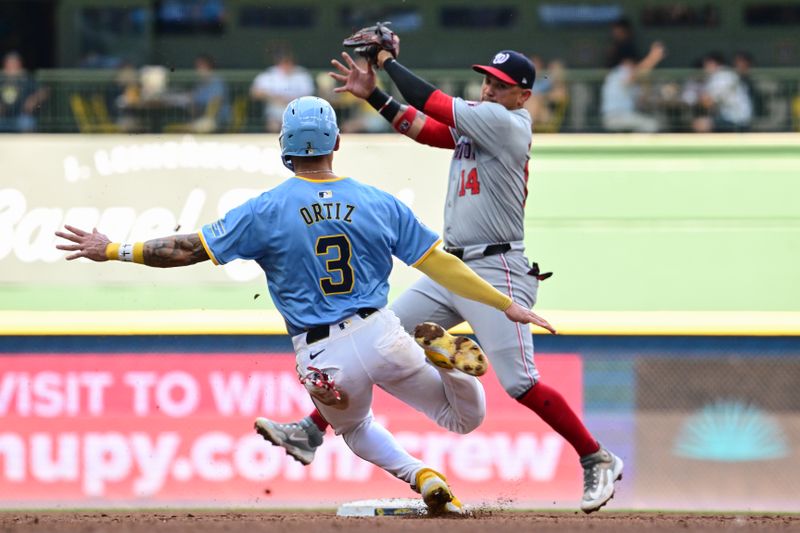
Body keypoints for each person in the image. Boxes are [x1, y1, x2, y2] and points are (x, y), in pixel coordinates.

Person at [55, 96, 556, 515]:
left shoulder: (266, 209)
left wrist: (114, 249)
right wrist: (502, 303)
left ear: (284, 152)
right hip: (382, 332)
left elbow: (185, 250)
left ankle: (422, 476)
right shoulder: (378, 201)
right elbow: (440, 265)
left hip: (321, 357)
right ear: (337, 142)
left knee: (356, 429)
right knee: (462, 419)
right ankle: (449, 361)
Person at [257, 44, 624, 514]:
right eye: (488, 80)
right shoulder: (484, 123)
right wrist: (374, 96)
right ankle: (312, 429)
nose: (490, 88)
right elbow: (424, 130)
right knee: (377, 331)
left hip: (497, 267)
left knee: (520, 384)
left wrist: (388, 64)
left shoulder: (508, 123)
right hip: (453, 267)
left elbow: (432, 103)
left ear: (523, 97)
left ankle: (596, 456)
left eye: (501, 85)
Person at [600, 42, 666, 133]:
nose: (634, 65)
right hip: (615, 116)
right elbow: (634, 76)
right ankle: (637, 146)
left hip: (623, 115)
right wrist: (653, 58)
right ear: (626, 61)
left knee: (653, 122)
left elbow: (642, 100)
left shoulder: (627, 75)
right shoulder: (619, 71)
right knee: (651, 124)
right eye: (634, 62)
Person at [250, 49, 314, 132]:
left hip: (298, 113)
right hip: (275, 112)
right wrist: (272, 97)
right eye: (283, 62)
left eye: (288, 62)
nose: (286, 65)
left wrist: (291, 100)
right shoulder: (269, 74)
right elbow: (254, 92)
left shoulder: (302, 74)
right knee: (274, 127)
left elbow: (310, 93)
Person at [692, 52, 752, 133]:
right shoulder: (725, 74)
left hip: (737, 120)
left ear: (713, 63)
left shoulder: (722, 76)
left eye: (706, 64)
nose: (704, 68)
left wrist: (693, 98)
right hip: (732, 117)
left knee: (700, 124)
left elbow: (707, 102)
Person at [0, 51, 48, 133]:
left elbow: (45, 90)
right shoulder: (1, 78)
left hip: (22, 115)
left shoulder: (26, 78)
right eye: (9, 64)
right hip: (3, 116)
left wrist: (33, 100)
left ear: (19, 64)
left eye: (14, 63)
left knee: (26, 123)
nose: (12, 66)